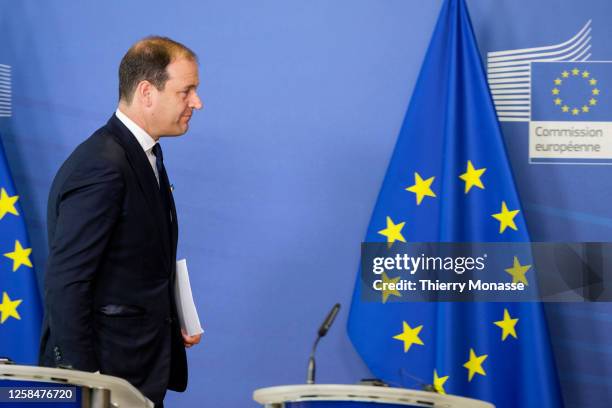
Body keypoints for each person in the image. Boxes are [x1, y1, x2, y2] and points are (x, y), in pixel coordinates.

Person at [39, 36, 203, 407]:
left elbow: (130, 264)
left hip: (137, 375)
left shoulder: (146, 155)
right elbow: (67, 282)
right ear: (147, 92)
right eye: (187, 91)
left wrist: (169, 317)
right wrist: (88, 385)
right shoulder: (103, 165)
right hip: (103, 383)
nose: (197, 102)